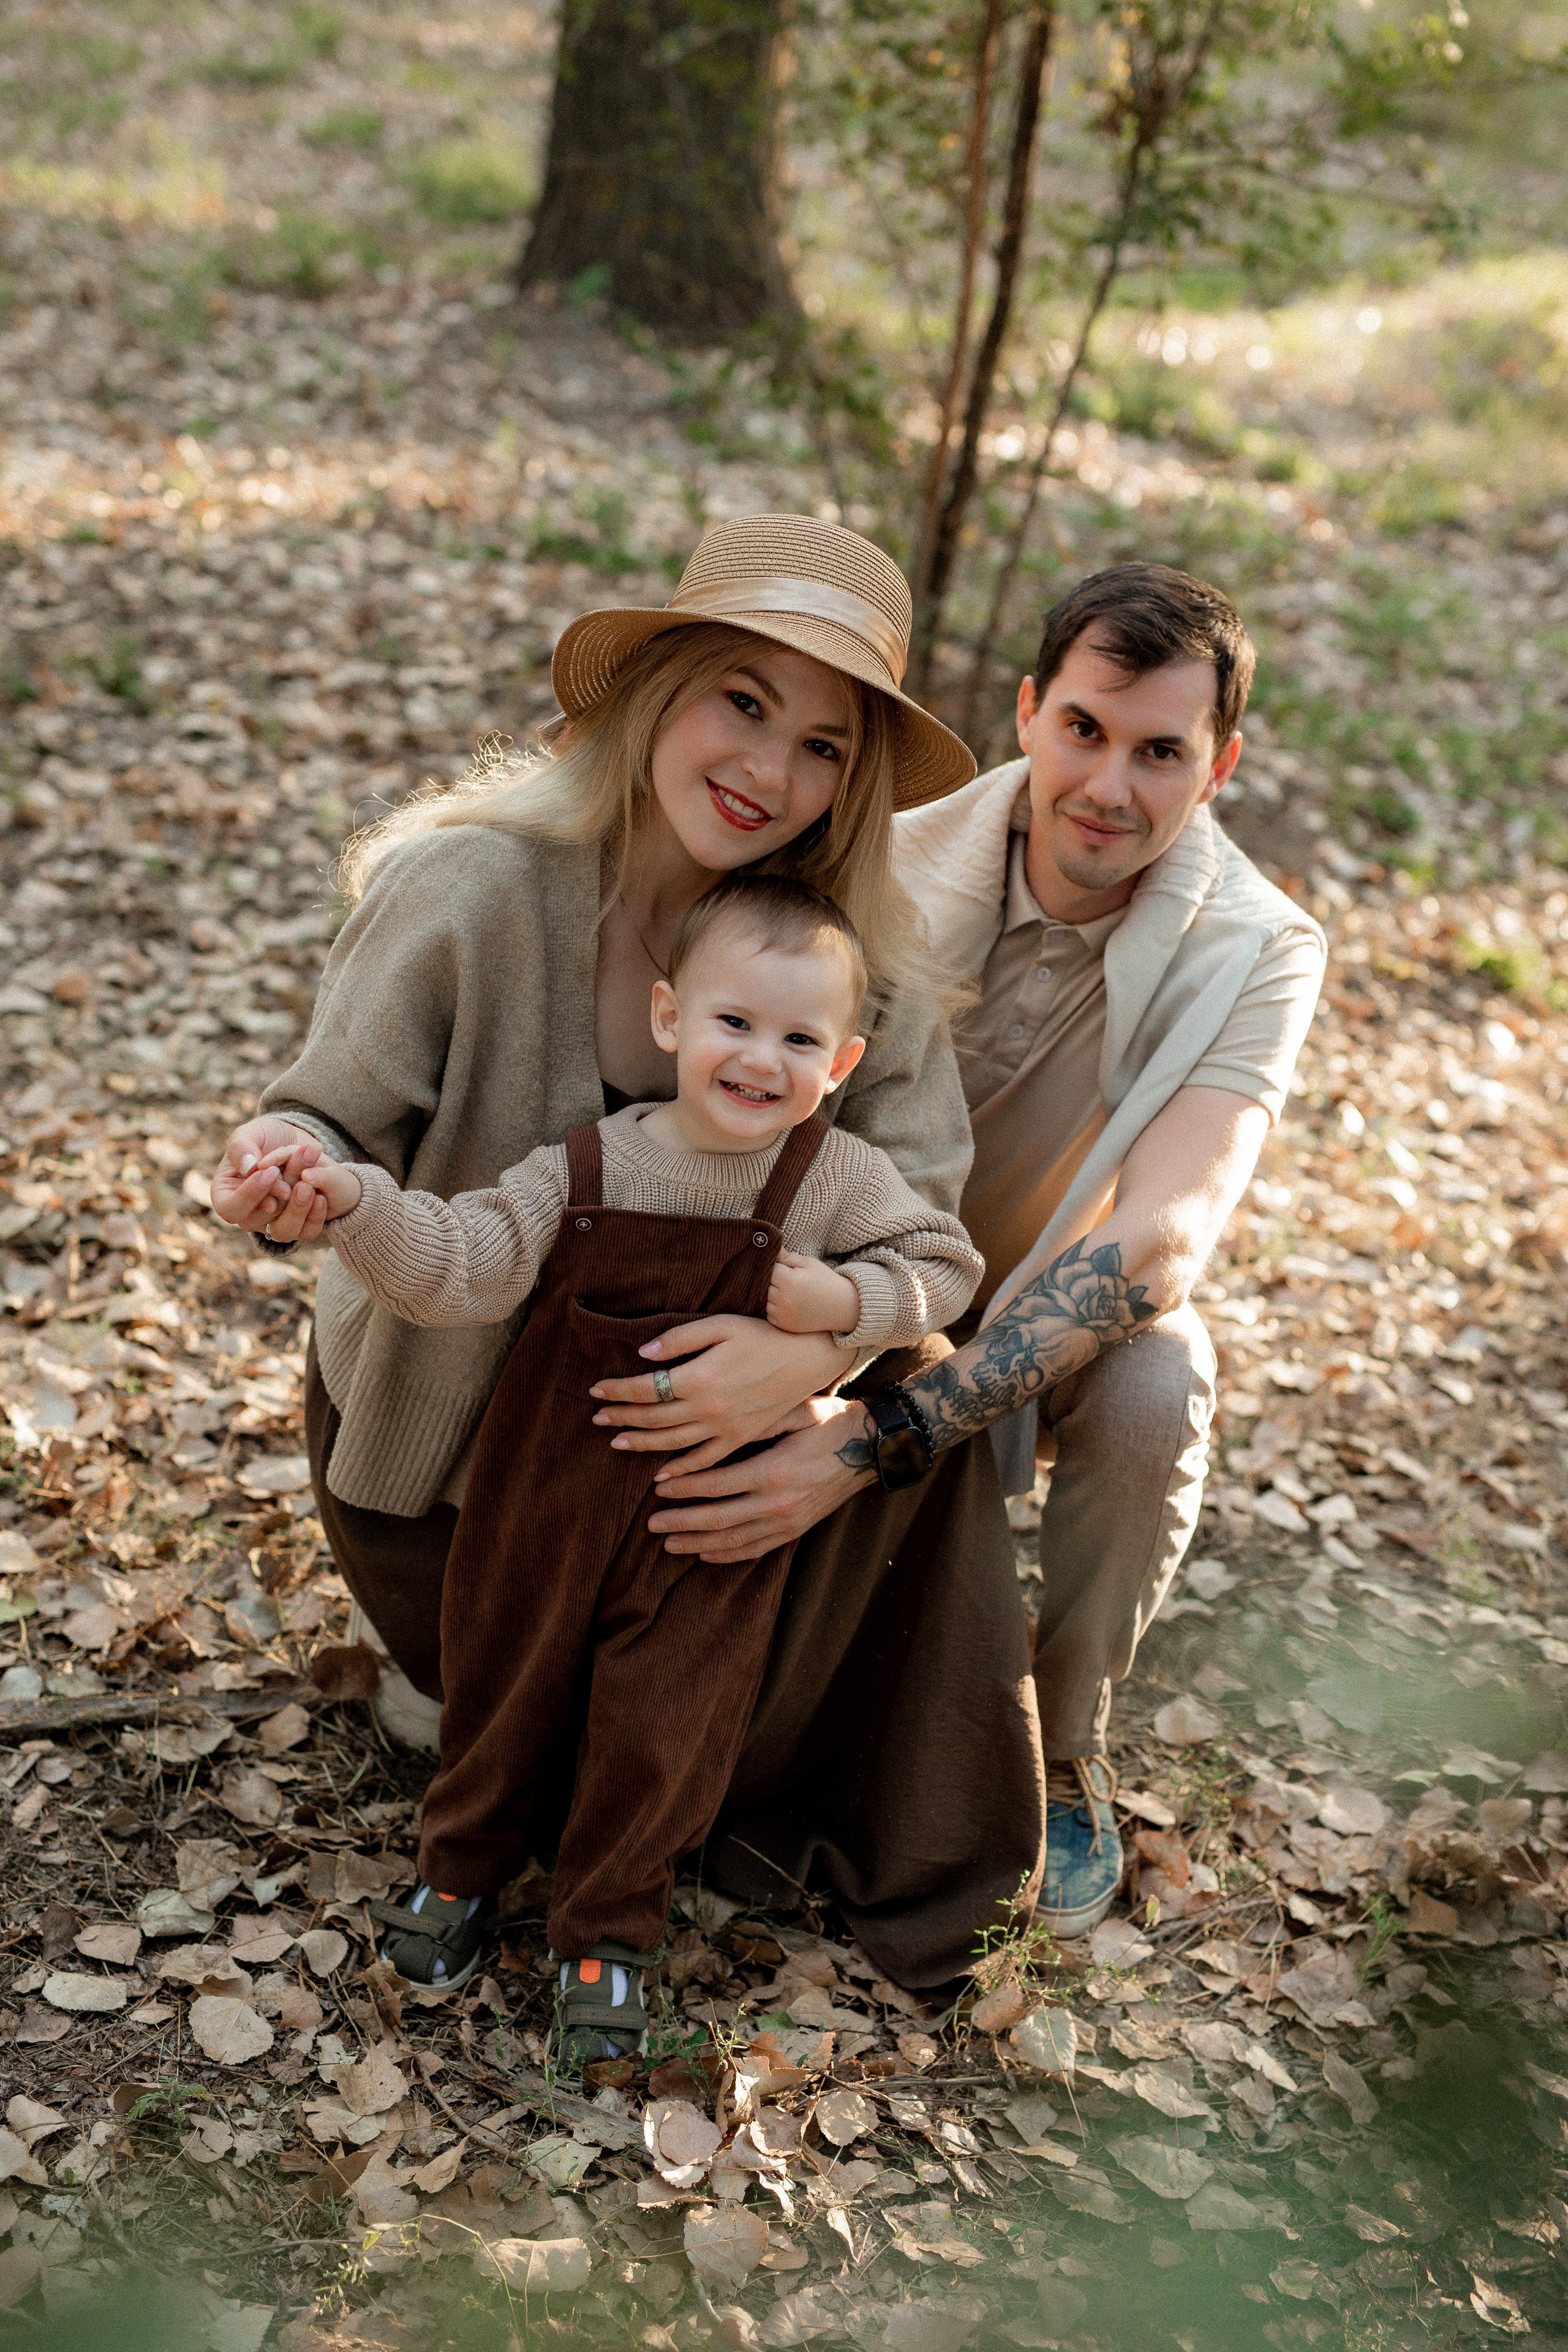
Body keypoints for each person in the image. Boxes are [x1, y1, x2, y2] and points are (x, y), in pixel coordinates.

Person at [209, 511, 1050, 1994]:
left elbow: (919, 1206)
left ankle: (832, 1769)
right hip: (475, 1461)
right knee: (543, 1765)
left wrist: (808, 1355)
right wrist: (292, 1170)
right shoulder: (475, 888)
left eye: (821, 745)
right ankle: (472, 1693)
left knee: (918, 1370)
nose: (769, 770)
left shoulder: (843, 955)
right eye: (742, 702)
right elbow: (330, 1115)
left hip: (711, 1466)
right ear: (656, 692)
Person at [624, 563, 1327, 1941]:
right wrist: (824, 1338)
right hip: (834, 1274)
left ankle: (1059, 1746)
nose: (1108, 788)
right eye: (1083, 730)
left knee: (1159, 1382)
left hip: (1034, 1306)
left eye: (1159, 753)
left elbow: (1162, 1241)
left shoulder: (1259, 947)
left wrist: (875, 1439)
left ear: (1220, 766)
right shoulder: (880, 854)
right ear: (1025, 713)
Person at [243, 875, 982, 2041]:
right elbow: (462, 1263)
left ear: (843, 1064)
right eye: (734, 1021)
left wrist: (849, 1304)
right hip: (542, 1501)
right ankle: (459, 1873)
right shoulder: (582, 1166)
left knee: (665, 1724)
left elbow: (947, 1267)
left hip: (705, 1521)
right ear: (669, 1018)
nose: (762, 1059)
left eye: (800, 1041)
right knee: (502, 1686)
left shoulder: (834, 1178)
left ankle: (609, 1933)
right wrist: (358, 1206)